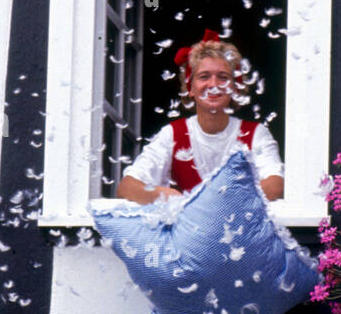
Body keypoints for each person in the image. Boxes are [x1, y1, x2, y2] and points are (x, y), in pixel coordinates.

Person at [116, 29, 285, 203]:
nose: (213, 85)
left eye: (223, 77)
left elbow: (275, 185)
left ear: (235, 88)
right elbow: (127, 187)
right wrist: (161, 195)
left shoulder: (256, 133)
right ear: (190, 88)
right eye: (204, 76)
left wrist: (215, 200)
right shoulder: (172, 134)